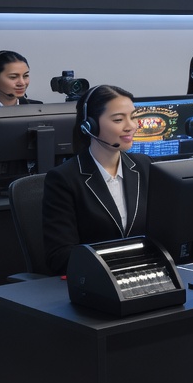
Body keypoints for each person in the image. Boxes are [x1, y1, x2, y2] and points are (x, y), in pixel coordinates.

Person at [42, 85, 151, 275]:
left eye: (133, 116)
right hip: (96, 280)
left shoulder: (143, 166)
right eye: (118, 119)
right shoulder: (63, 179)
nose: (131, 126)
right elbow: (60, 257)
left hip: (144, 274)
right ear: (89, 125)